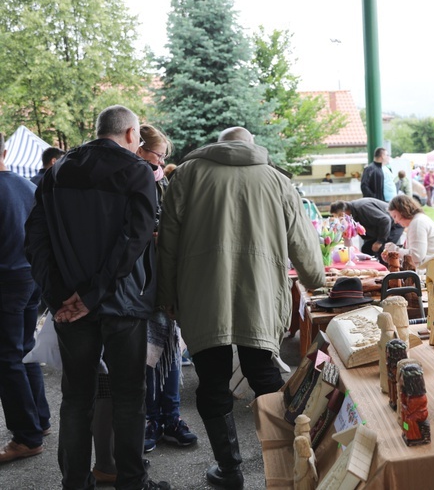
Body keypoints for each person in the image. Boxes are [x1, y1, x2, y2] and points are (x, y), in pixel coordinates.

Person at [156, 126, 324, 489]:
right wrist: (316, 282)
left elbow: (167, 240)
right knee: (264, 376)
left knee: (212, 383)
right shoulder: (277, 181)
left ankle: (229, 470)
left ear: (219, 144)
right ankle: (286, 463)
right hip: (260, 296)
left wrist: (166, 294)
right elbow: (303, 241)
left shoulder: (186, 175)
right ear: (252, 147)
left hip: (202, 295)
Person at [24, 105, 170, 489]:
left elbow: (35, 240)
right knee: (127, 398)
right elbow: (134, 241)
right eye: (138, 137)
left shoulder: (58, 171)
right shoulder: (137, 171)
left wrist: (59, 297)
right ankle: (131, 482)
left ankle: (74, 482)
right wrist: (88, 295)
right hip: (121, 303)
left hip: (73, 306)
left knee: (76, 398)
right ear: (128, 134)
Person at [136, 125, 198, 453]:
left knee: (171, 350)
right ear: (139, 149)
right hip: (141, 283)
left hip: (167, 279)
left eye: (163, 158)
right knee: (148, 352)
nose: (160, 163)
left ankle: (170, 417)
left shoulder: (163, 181)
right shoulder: (131, 179)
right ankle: (151, 419)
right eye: (156, 156)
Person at [0, 133, 51, 463]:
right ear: (5, 151)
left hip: (7, 280)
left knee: (7, 358)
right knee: (24, 349)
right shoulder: (28, 185)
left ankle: (27, 436)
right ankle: (40, 421)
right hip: (31, 277)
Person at [385, 195, 434, 268]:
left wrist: (395, 250)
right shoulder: (417, 220)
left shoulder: (417, 223)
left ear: (402, 211)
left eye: (395, 216)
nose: (395, 221)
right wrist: (393, 256)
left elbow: (416, 256)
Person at [329, 198, 404, 258]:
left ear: (343, 213)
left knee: (383, 250)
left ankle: (388, 274)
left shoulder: (362, 207)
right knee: (366, 249)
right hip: (380, 228)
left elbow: (385, 220)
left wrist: (379, 241)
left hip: (393, 224)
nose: (340, 219)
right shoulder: (352, 213)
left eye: (339, 216)